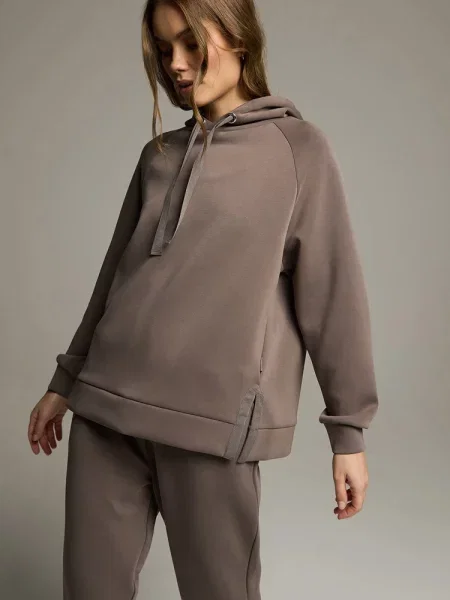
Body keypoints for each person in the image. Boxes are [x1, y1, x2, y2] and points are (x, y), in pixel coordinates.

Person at [28, 0, 379, 598]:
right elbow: (114, 278)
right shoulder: (157, 156)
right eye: (165, 48)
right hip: (106, 411)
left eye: (191, 42)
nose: (176, 63)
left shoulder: (299, 151)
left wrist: (348, 433)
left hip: (210, 427)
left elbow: (333, 297)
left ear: (239, 36)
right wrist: (66, 380)